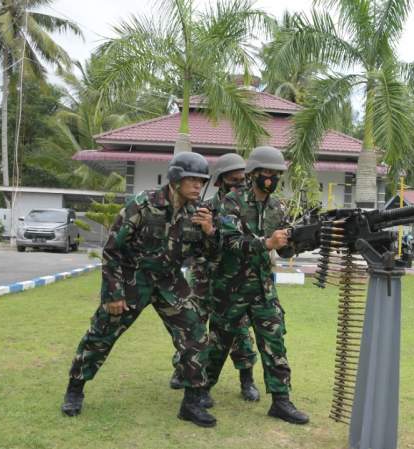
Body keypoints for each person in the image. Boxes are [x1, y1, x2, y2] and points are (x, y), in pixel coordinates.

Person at [61, 152, 217, 428]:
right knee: (101, 334)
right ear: (176, 179)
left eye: (201, 181)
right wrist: (113, 294)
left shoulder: (198, 213)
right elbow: (112, 250)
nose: (198, 185)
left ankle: (192, 402)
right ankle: (75, 388)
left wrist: (209, 232)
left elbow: (206, 255)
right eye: (192, 179)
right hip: (133, 279)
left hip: (170, 282)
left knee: (196, 334)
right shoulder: (143, 205)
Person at [204, 146, 309, 425]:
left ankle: (281, 401)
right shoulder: (232, 201)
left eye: (277, 173)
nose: (272, 178)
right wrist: (267, 242)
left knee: (274, 342)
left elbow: (284, 249)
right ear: (253, 174)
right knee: (218, 344)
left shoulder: (278, 207)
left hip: (263, 290)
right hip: (231, 288)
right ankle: (199, 392)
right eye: (267, 172)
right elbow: (230, 242)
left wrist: (301, 240)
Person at [175, 152, 260, 405]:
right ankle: (183, 369)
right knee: (193, 328)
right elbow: (193, 246)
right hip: (205, 279)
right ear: (220, 181)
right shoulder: (205, 208)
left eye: (243, 180)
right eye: (233, 181)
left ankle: (247, 380)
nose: (239, 185)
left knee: (240, 332)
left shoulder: (249, 209)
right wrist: (205, 232)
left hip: (236, 282)